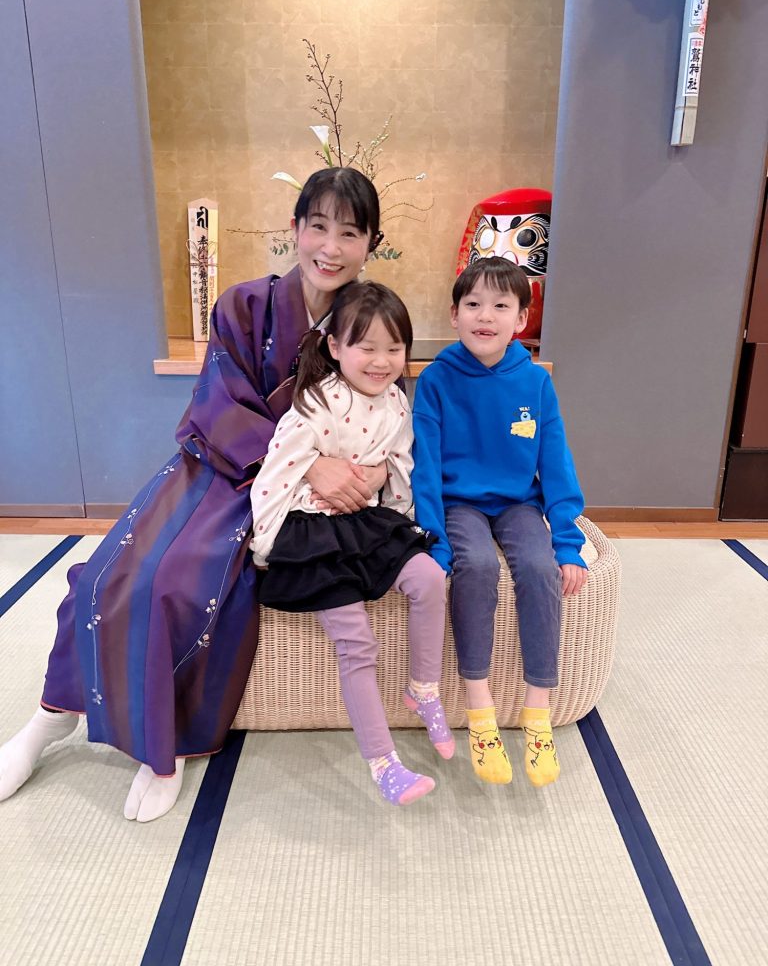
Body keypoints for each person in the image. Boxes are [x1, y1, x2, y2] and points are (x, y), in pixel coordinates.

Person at [0, 166, 390, 821]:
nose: (330, 246)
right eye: (318, 226)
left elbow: (384, 403)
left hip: (285, 495)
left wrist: (364, 470)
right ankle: (50, 717)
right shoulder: (244, 305)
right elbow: (218, 402)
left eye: (349, 233)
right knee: (104, 575)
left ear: (371, 243)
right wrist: (304, 461)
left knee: (179, 582)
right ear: (294, 229)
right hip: (222, 463)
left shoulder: (366, 318)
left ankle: (167, 743)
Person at [250, 280, 454, 805]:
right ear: (335, 346)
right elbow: (276, 473)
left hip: (366, 521)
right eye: (366, 347)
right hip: (313, 535)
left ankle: (424, 689)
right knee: (356, 642)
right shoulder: (315, 403)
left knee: (430, 577)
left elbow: (402, 466)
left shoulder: (397, 402)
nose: (381, 361)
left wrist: (399, 522)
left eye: (394, 348)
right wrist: (267, 546)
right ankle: (384, 763)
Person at [411, 256, 588, 788]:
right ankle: (480, 711)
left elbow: (555, 464)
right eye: (473, 304)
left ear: (521, 319)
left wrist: (568, 543)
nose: (485, 316)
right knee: (478, 567)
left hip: (517, 505)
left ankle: (538, 713)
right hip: (458, 504)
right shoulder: (435, 380)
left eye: (500, 306)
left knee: (538, 568)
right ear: (454, 314)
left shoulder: (535, 382)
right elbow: (424, 469)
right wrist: (436, 545)